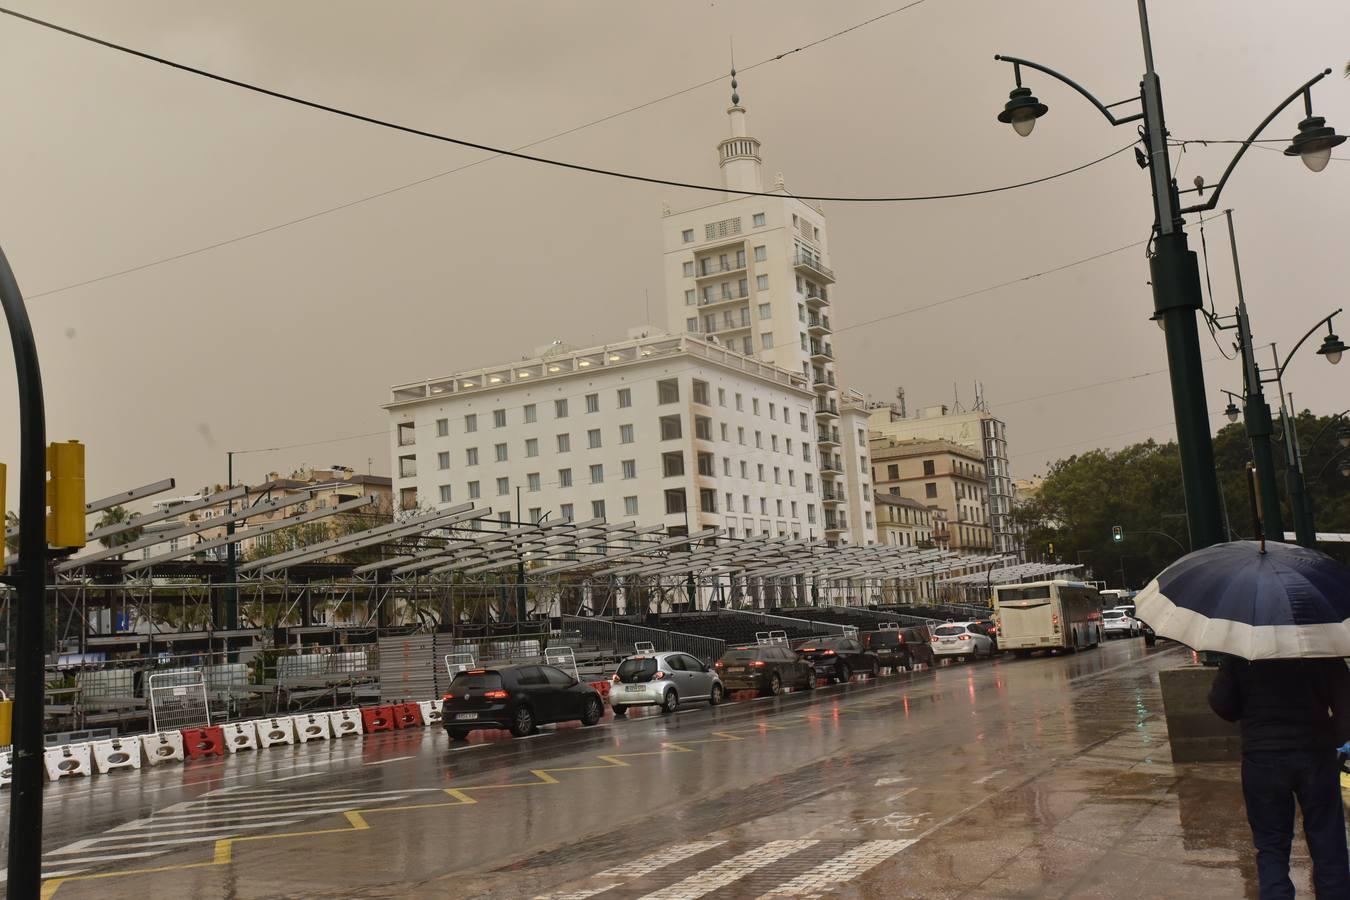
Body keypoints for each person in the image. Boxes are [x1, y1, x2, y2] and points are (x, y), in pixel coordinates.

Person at [1209, 656, 1350, 898]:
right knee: (1329, 842)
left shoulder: (1242, 652)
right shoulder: (1321, 646)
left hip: (1262, 759)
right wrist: (1330, 738)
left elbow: (1223, 705)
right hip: (1315, 756)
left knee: (1271, 846)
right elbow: (1347, 707)